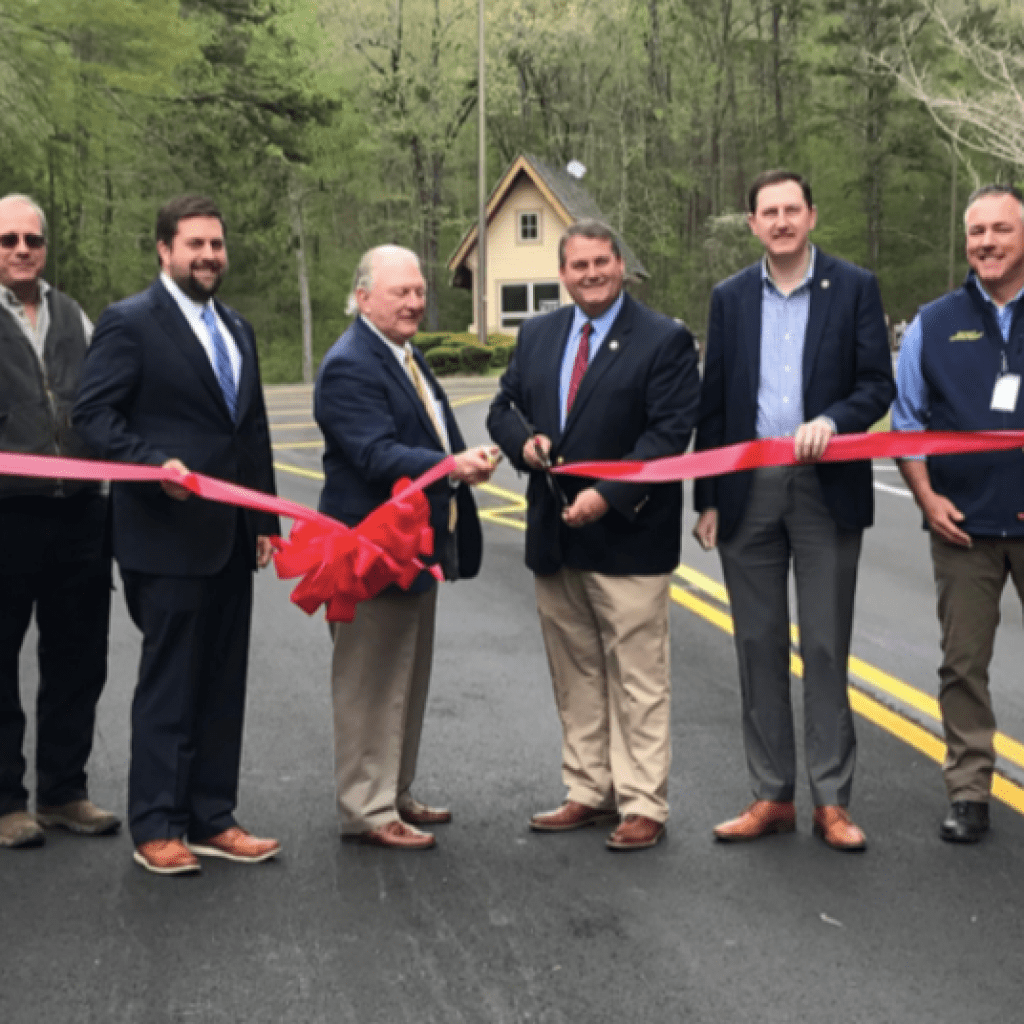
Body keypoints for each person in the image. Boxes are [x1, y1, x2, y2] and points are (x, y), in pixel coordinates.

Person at [73, 194, 280, 875]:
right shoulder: (130, 322)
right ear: (164, 250)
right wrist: (150, 463)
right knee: (171, 683)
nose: (209, 256)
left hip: (230, 538)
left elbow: (250, 429)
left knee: (222, 682)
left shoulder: (237, 328)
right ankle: (157, 824)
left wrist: (265, 520)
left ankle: (212, 817)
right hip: (164, 538)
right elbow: (93, 417)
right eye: (195, 244)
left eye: (216, 244)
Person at [694, 170, 894, 852]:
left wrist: (834, 420)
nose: (780, 221)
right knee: (757, 645)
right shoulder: (729, 298)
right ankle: (771, 794)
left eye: (791, 209)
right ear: (752, 223)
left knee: (826, 646)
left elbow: (877, 385)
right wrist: (708, 497)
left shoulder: (854, 287)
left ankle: (831, 801)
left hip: (825, 487)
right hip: (747, 489)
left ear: (812, 216)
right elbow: (714, 403)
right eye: (768, 212)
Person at [487, 220, 700, 852]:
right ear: (563, 273)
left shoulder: (663, 339)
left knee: (638, 679)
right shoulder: (538, 334)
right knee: (575, 672)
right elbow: (503, 408)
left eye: (601, 262)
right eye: (578, 266)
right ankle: (588, 789)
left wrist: (607, 496)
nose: (591, 274)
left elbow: (668, 435)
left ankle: (642, 802)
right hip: (555, 536)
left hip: (629, 536)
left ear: (620, 264)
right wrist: (523, 445)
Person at [315, 245, 497, 851]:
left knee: (406, 676)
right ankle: (366, 808)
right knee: (369, 682)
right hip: (370, 550)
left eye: (419, 291)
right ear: (363, 297)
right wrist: (450, 465)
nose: (415, 302)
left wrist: (456, 460)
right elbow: (373, 453)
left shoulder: (402, 353)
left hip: (411, 548)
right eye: (401, 293)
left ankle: (393, 790)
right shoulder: (350, 365)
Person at [893, 184, 1024, 844]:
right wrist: (926, 496)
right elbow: (906, 421)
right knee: (962, 665)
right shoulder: (933, 323)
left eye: (1001, 229)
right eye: (977, 232)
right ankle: (970, 791)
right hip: (963, 527)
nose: (987, 242)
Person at [0, 193, 119, 850]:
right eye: (8, 240)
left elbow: (104, 398)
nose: (22, 249)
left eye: (33, 239)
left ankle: (63, 792)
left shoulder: (74, 316)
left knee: (79, 658)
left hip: (78, 512)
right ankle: (4, 802)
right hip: (6, 514)